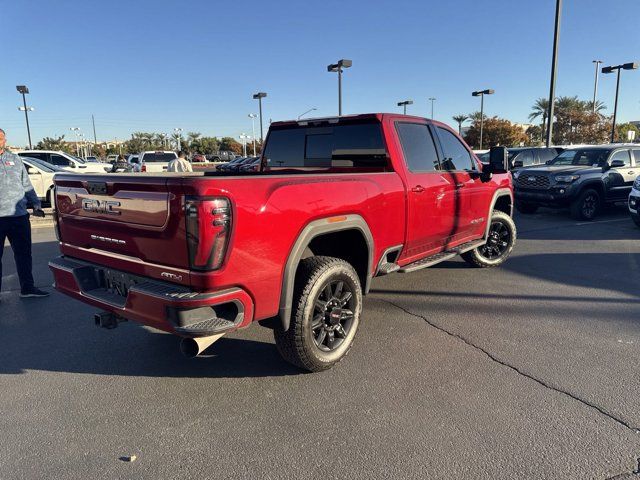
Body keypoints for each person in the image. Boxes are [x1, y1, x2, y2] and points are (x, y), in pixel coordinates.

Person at [0, 128, 49, 299]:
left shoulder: (15, 159)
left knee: (24, 255)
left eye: (2, 138)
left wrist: (36, 203)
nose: (0, 140)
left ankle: (27, 288)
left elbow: (26, 183)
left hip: (19, 216)